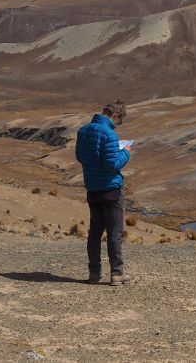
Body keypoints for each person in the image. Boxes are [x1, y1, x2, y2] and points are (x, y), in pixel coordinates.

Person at [75, 101, 134, 286]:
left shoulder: (83, 131)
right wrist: (126, 153)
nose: (118, 124)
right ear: (115, 116)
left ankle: (94, 273)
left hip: (92, 188)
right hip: (110, 190)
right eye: (120, 121)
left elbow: (79, 156)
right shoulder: (109, 134)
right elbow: (112, 164)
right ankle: (117, 273)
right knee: (114, 233)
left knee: (95, 232)